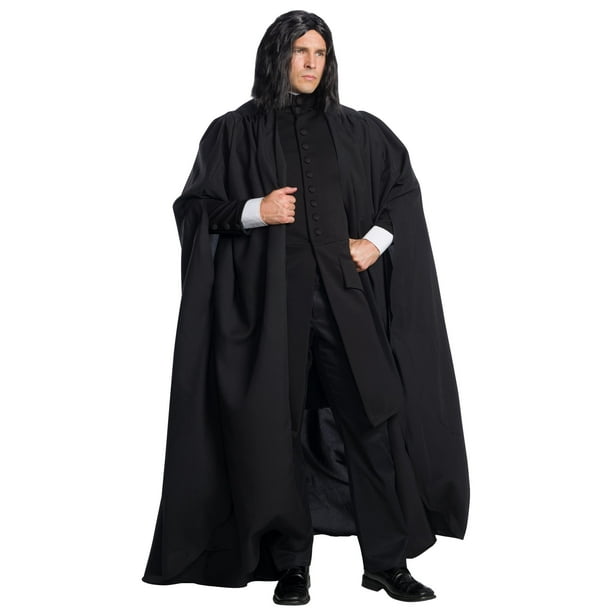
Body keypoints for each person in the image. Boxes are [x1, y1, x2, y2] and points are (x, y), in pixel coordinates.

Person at [141, 9, 469, 605]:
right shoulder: (232, 132)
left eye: (320, 52)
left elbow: (402, 190)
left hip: (346, 306)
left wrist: (374, 242)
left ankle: (386, 562)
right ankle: (291, 564)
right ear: (278, 56)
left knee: (371, 424)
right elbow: (195, 208)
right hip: (269, 313)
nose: (312, 63)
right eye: (300, 51)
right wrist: (255, 211)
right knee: (277, 431)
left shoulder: (360, 131)